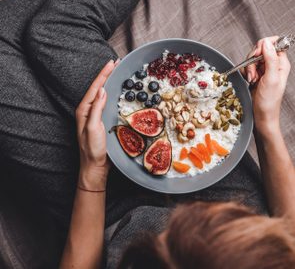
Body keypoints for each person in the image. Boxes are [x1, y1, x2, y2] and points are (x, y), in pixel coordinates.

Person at [0, 0, 291, 268]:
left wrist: (92, 175)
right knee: (55, 30)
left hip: (105, 218)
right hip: (223, 198)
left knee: (38, 34)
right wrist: (266, 123)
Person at [60, 36, 295, 269]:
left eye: (167, 239)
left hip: (104, 213)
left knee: (45, 33)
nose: (188, 215)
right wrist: (266, 123)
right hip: (232, 199)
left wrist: (92, 175)